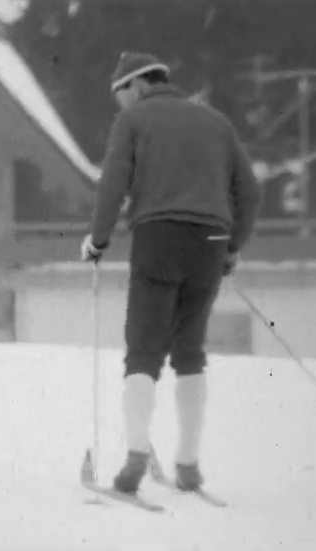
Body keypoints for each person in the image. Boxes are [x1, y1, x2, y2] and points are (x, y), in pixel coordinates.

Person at [81, 52, 261, 494]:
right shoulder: (216, 122)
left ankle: (135, 462)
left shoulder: (135, 121)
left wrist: (98, 240)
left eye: (119, 94)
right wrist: (232, 248)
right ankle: (188, 464)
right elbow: (250, 192)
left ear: (136, 85)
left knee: (143, 350)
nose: (121, 105)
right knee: (190, 350)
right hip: (212, 243)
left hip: (158, 236)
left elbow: (113, 183)